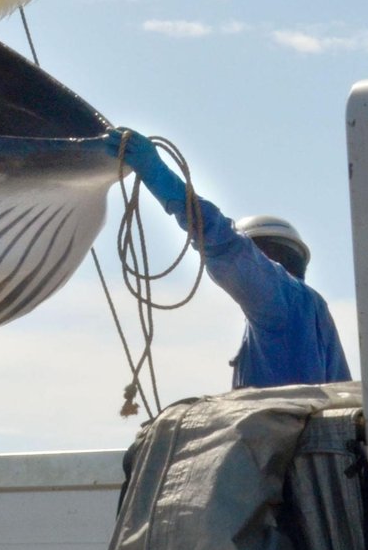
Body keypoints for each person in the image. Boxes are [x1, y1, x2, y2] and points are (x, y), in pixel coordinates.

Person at [106, 130, 350, 389]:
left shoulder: (278, 302)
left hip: (280, 431)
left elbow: (224, 245)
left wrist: (160, 177)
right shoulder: (312, 312)